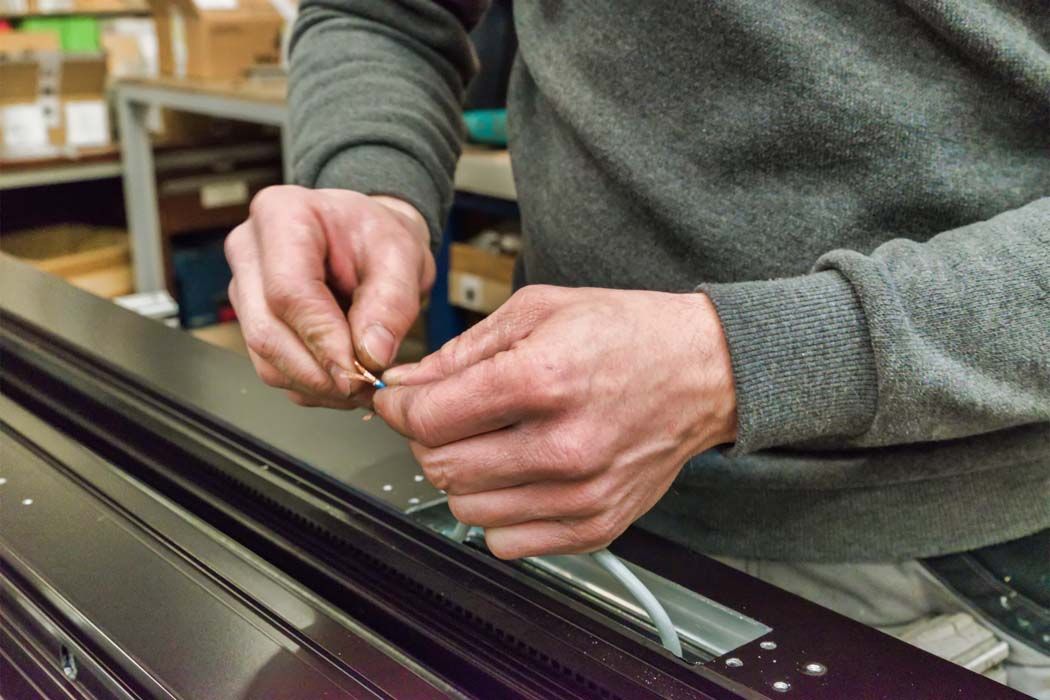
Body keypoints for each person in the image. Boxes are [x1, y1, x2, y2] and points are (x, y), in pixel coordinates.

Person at [223, 1, 1049, 694]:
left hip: (951, 560)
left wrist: (750, 360)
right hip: (548, 504)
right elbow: (388, 13)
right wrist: (370, 182)